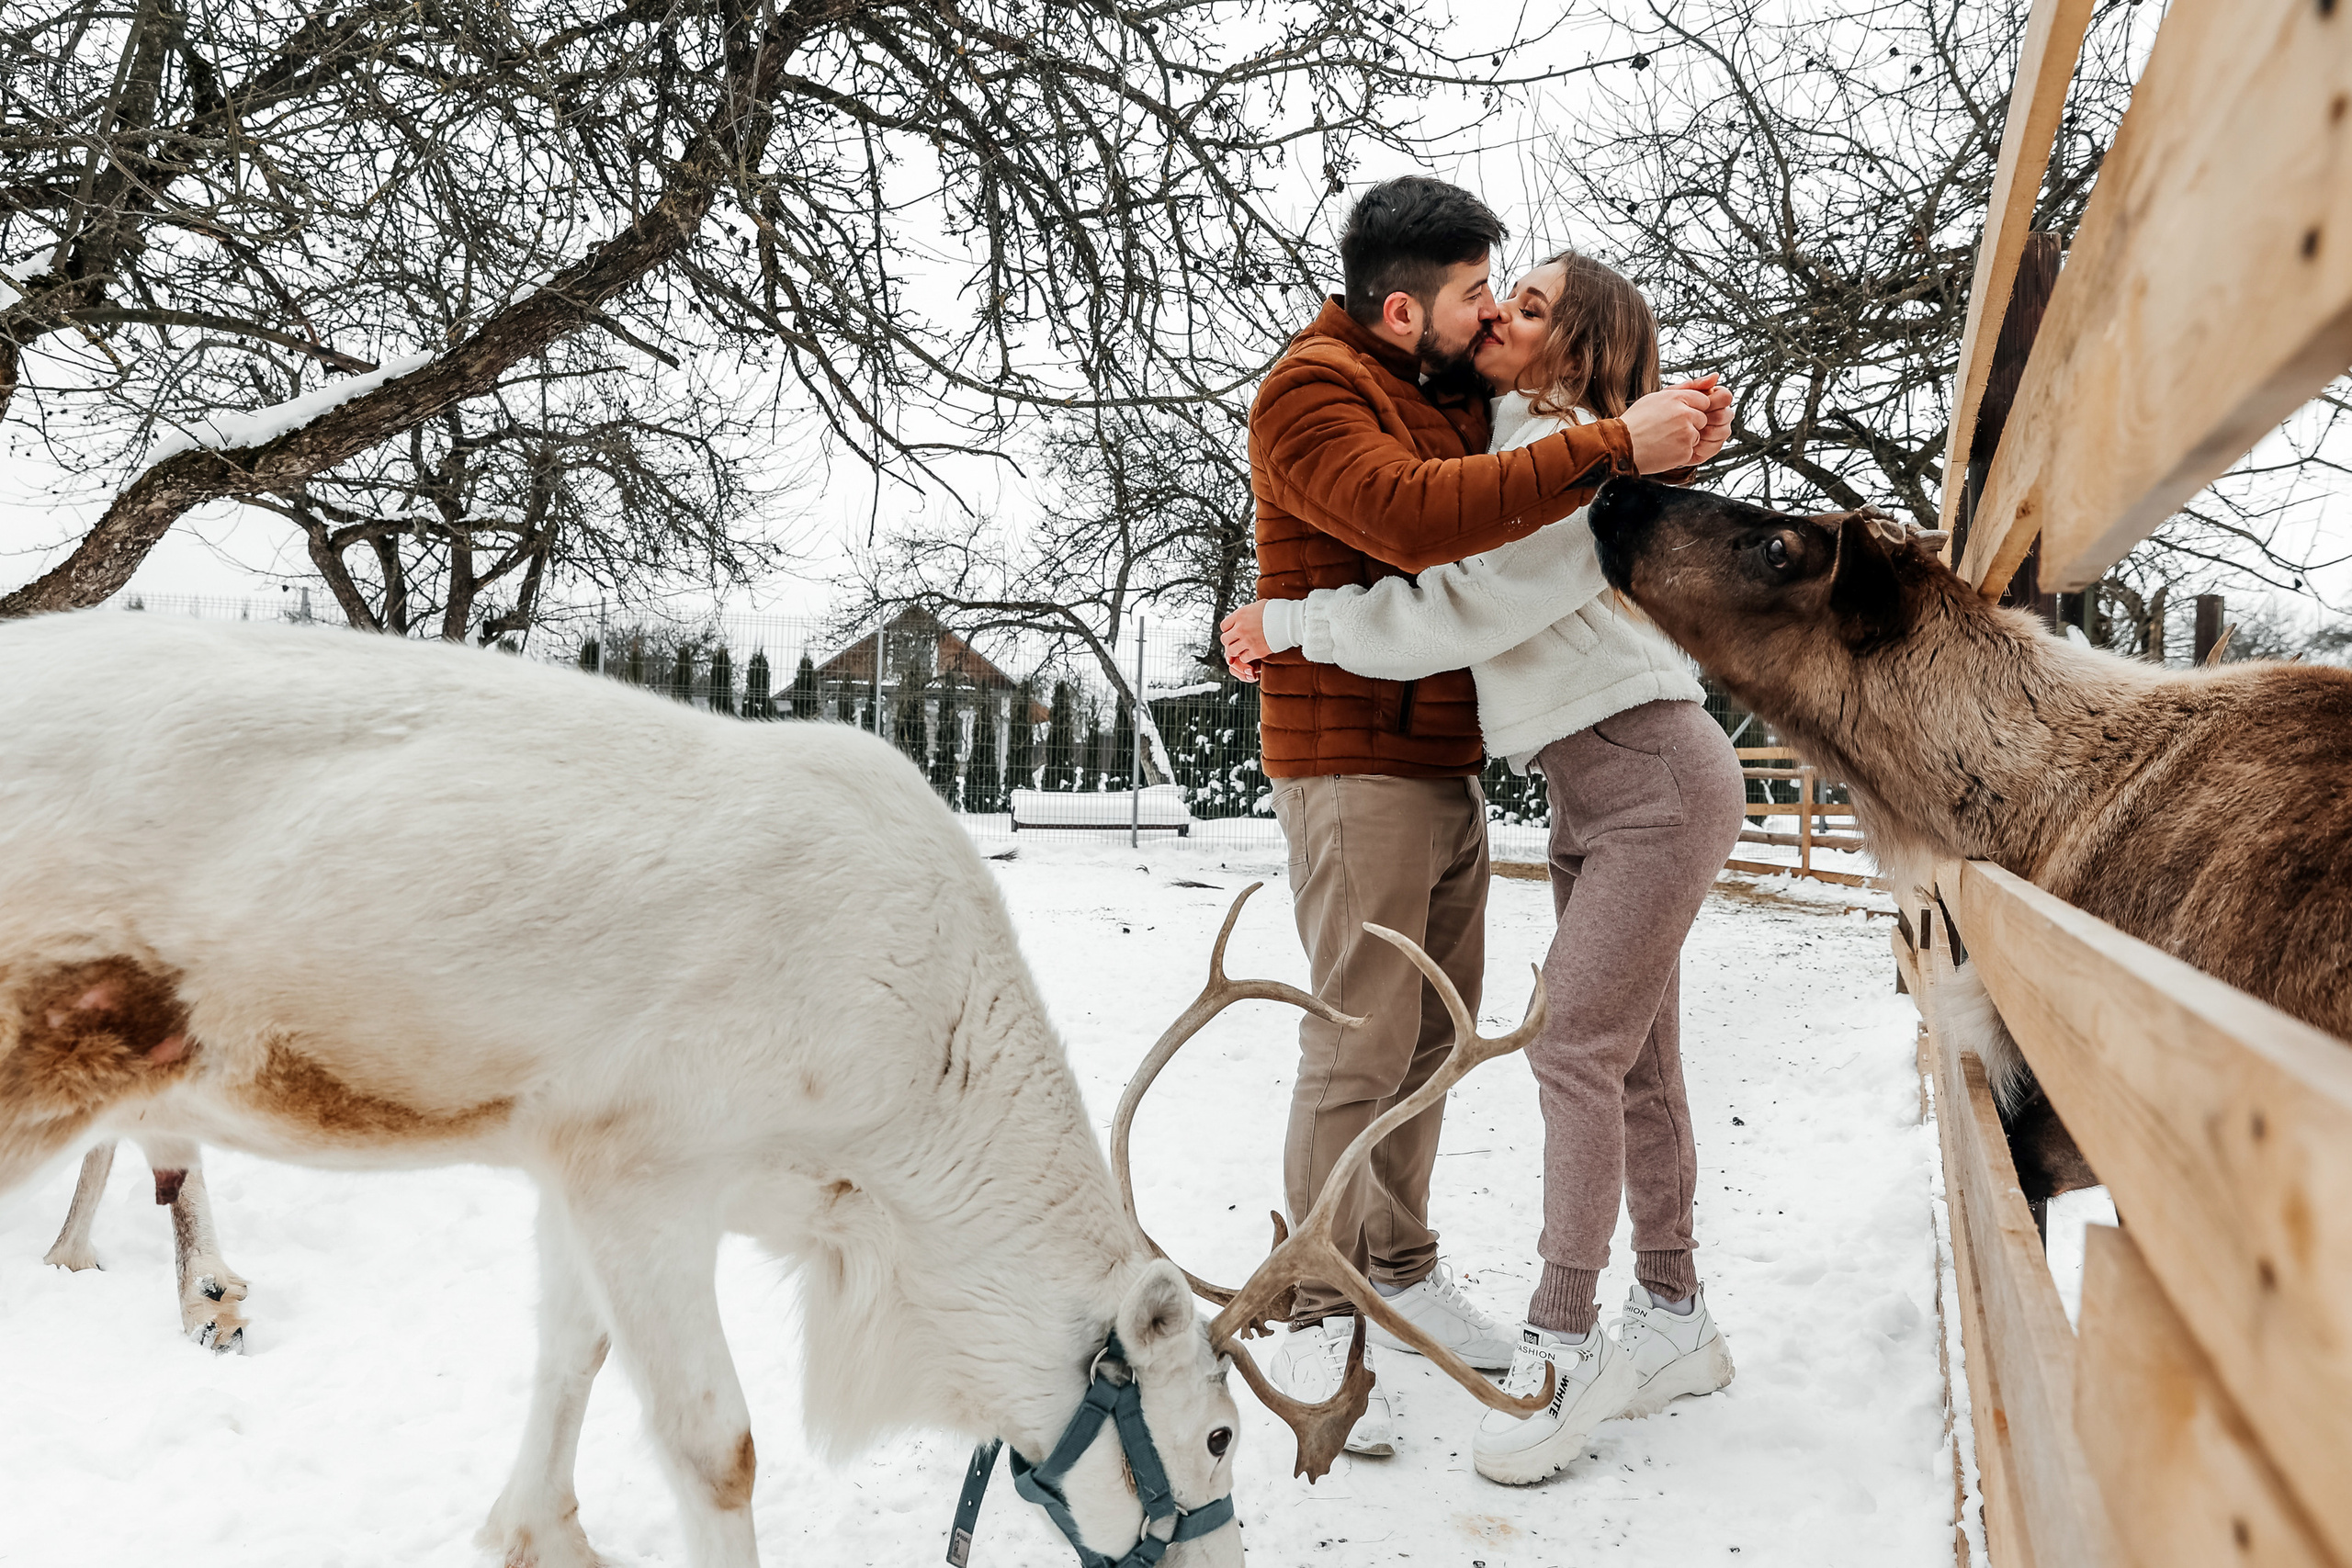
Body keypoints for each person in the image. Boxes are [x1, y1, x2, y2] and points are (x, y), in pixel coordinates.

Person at [1224, 250, 1746, 1483]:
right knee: (1635, 1059)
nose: (1503, 313)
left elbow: (1456, 612)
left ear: (1575, 347)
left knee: (1572, 1048)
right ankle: (1675, 1318)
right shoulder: (1539, 442)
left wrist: (1290, 624)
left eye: (1532, 306)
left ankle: (1558, 1350)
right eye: (1497, 295)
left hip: (1651, 777)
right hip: (1608, 783)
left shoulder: (1554, 456)